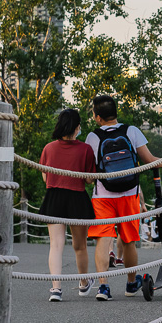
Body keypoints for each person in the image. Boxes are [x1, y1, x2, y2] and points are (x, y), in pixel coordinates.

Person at [86, 94, 155, 301]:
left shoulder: (93, 137)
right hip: (129, 194)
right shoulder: (131, 131)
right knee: (129, 241)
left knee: (103, 240)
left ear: (98, 117)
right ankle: (131, 284)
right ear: (115, 112)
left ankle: (104, 288)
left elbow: (89, 175)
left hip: (102, 196)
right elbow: (149, 160)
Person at [38, 109, 98, 302]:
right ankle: (83, 283)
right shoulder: (86, 149)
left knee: (55, 245)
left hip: (54, 196)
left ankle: (56, 289)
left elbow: (45, 176)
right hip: (77, 198)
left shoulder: (49, 148)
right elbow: (89, 180)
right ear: (77, 127)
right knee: (79, 246)